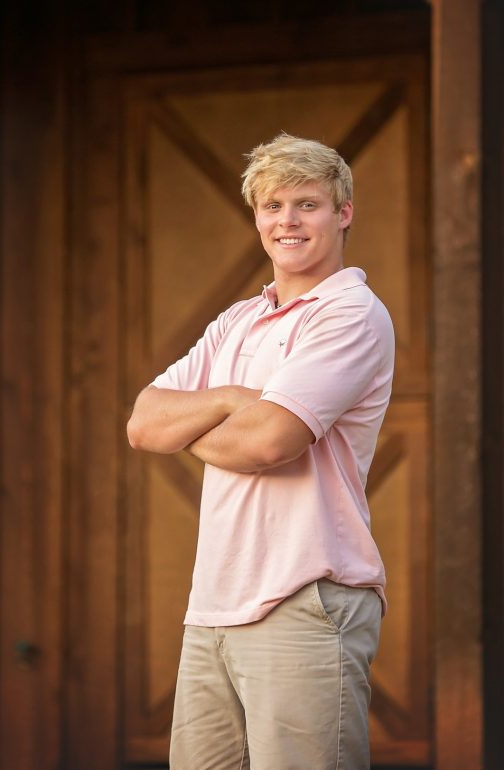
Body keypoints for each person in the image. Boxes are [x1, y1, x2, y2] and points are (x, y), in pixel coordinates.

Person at [127, 134, 393, 769]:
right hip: (213, 606)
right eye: (272, 206)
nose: (288, 221)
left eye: (307, 204)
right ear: (256, 218)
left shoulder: (349, 313)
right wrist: (227, 399)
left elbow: (268, 442)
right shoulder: (237, 321)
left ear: (344, 212)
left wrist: (193, 423)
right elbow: (142, 423)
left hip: (305, 597)